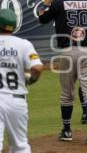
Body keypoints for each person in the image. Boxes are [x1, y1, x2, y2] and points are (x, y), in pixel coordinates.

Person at [38, 0, 87, 145]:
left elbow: (41, 18)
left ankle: (67, 130)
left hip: (67, 51)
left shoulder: (59, 2)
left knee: (67, 94)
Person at [0, 9, 43, 153]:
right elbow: (37, 68)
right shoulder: (23, 44)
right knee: (20, 146)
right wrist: (30, 80)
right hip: (17, 101)